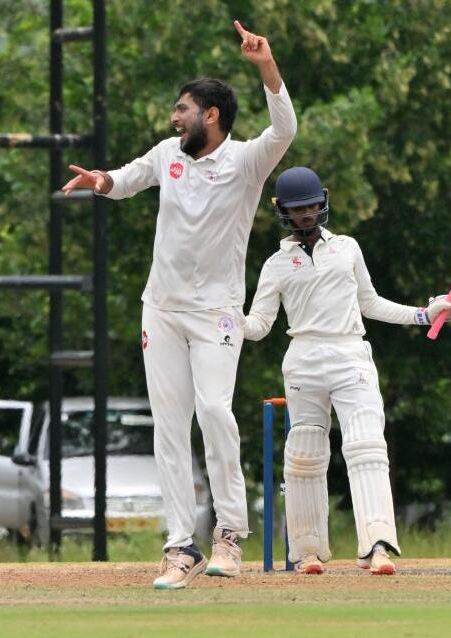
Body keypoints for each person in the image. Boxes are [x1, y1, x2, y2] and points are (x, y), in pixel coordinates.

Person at [62, 21, 297, 589]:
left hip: (217, 310)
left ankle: (230, 535)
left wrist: (265, 65)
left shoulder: (246, 161)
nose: (175, 117)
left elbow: (285, 128)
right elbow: (126, 180)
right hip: (161, 308)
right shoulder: (169, 153)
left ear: (211, 115)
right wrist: (100, 180)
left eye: (183, 109)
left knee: (214, 410)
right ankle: (178, 546)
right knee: (168, 425)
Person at [242, 166, 451, 575]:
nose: (307, 215)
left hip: (350, 352)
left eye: (312, 206)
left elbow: (371, 303)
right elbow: (258, 327)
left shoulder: (347, 247)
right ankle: (307, 551)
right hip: (303, 358)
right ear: (284, 212)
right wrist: (222, 319)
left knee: (366, 445)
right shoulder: (276, 265)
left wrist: (425, 313)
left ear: (323, 202)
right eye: (298, 210)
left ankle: (377, 545)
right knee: (306, 455)